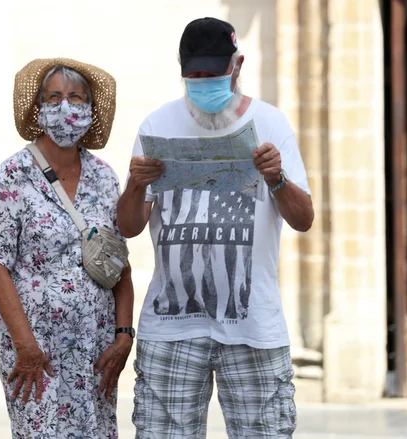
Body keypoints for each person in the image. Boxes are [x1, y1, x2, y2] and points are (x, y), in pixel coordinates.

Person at [118, 17, 314, 439]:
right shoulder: (156, 126)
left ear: (237, 66)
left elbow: (304, 220)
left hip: (253, 326)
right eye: (195, 75)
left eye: (214, 74)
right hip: (172, 327)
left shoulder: (272, 123)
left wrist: (277, 179)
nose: (204, 83)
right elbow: (130, 228)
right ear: (181, 69)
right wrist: (136, 185)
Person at [0, 58, 135, 438]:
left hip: (94, 348)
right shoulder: (12, 176)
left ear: (89, 109)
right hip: (36, 353)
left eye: (76, 98)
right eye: (54, 98)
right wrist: (26, 347)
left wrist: (124, 336)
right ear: (39, 108)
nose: (65, 107)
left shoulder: (103, 176)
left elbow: (119, 264)